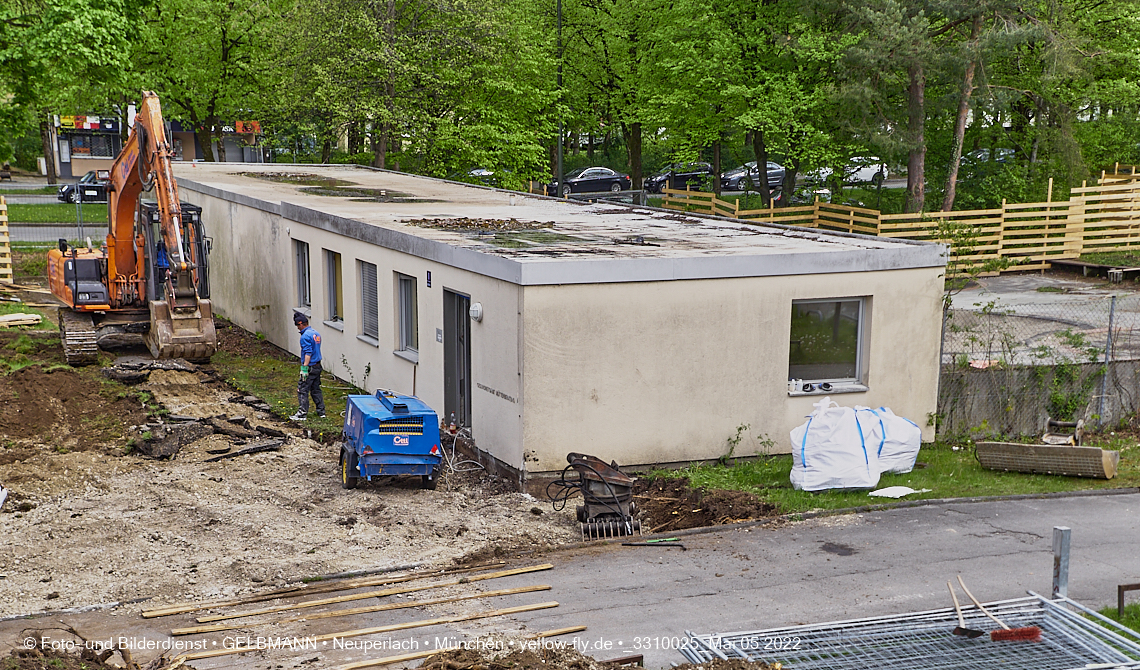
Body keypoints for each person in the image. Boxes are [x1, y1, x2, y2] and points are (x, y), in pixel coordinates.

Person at [291, 312, 326, 421]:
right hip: (317, 366)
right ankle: (321, 412)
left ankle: (302, 413)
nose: (297, 328)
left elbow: (308, 353)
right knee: (315, 389)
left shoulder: (305, 336)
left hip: (310, 367)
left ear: (301, 323)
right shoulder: (316, 333)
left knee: (302, 389)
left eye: (297, 325)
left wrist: (304, 369)